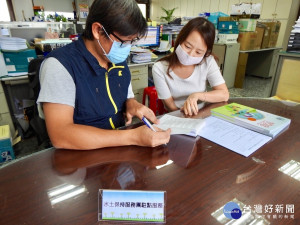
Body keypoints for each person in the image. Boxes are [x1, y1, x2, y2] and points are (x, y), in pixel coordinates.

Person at [37, 0, 170, 150]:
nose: (127, 48)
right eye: (124, 42)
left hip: (118, 150)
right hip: (80, 159)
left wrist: (131, 104)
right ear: (98, 30)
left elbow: (126, 95)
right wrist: (133, 136)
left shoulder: (116, 59)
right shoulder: (60, 65)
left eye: (132, 41)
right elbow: (61, 135)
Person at [152, 17, 229, 116]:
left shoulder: (207, 61)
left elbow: (224, 94)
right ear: (180, 40)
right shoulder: (160, 68)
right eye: (187, 46)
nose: (191, 54)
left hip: (202, 113)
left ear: (205, 52)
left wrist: (196, 95)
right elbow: (170, 106)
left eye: (198, 52)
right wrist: (185, 118)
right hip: (177, 114)